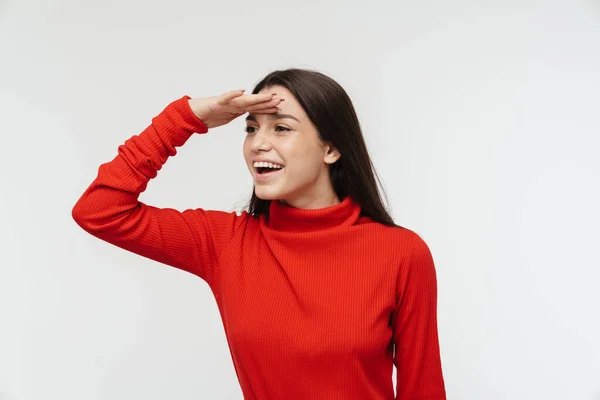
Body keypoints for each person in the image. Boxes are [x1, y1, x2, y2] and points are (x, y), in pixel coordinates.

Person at [72, 68, 446, 399]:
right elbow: (100, 211)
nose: (258, 144)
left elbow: (423, 391)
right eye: (251, 128)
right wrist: (187, 117)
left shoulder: (401, 253)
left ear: (331, 148)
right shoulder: (226, 242)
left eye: (281, 128)